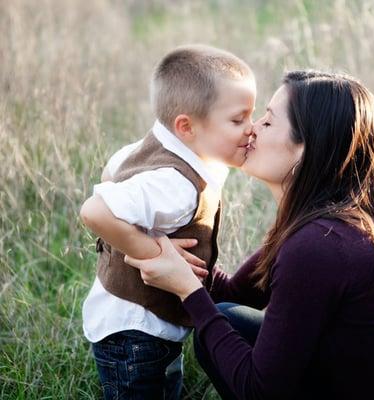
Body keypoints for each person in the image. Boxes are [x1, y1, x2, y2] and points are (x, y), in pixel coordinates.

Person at [124, 70, 374, 399]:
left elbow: (257, 390)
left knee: (223, 324)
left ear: (306, 148)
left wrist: (187, 289)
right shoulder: (330, 223)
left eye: (268, 120)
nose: (252, 129)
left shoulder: (320, 246)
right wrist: (169, 240)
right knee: (231, 318)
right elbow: (233, 293)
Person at [79, 44, 256, 400]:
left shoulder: (169, 145)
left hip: (148, 323)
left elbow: (113, 169)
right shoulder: (174, 184)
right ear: (186, 126)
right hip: (134, 334)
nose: (251, 129)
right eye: (238, 120)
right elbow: (94, 211)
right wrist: (155, 249)